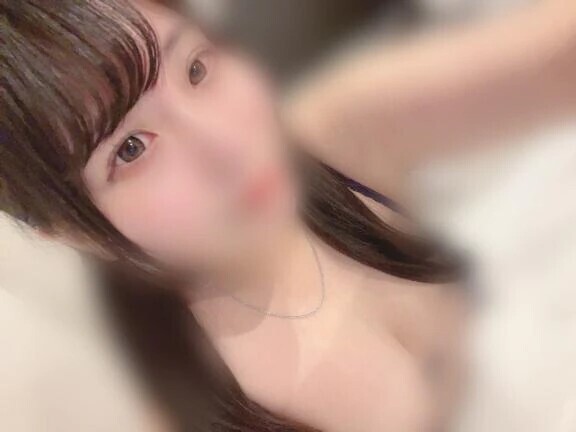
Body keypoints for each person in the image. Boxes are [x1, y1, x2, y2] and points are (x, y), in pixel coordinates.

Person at [1, 0, 575, 431]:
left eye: (196, 69)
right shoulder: (193, 408)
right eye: (130, 149)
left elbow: (555, 60)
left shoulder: (338, 141)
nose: (226, 144)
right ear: (66, 230)